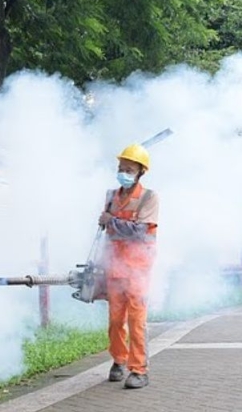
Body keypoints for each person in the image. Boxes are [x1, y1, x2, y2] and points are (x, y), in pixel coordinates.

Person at [98, 143, 159, 389]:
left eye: (129, 169)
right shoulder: (111, 197)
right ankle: (118, 361)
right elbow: (106, 232)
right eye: (121, 168)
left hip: (138, 270)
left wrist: (110, 221)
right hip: (115, 268)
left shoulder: (149, 198)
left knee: (136, 321)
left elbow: (140, 232)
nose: (123, 172)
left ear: (141, 172)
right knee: (115, 321)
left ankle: (139, 370)